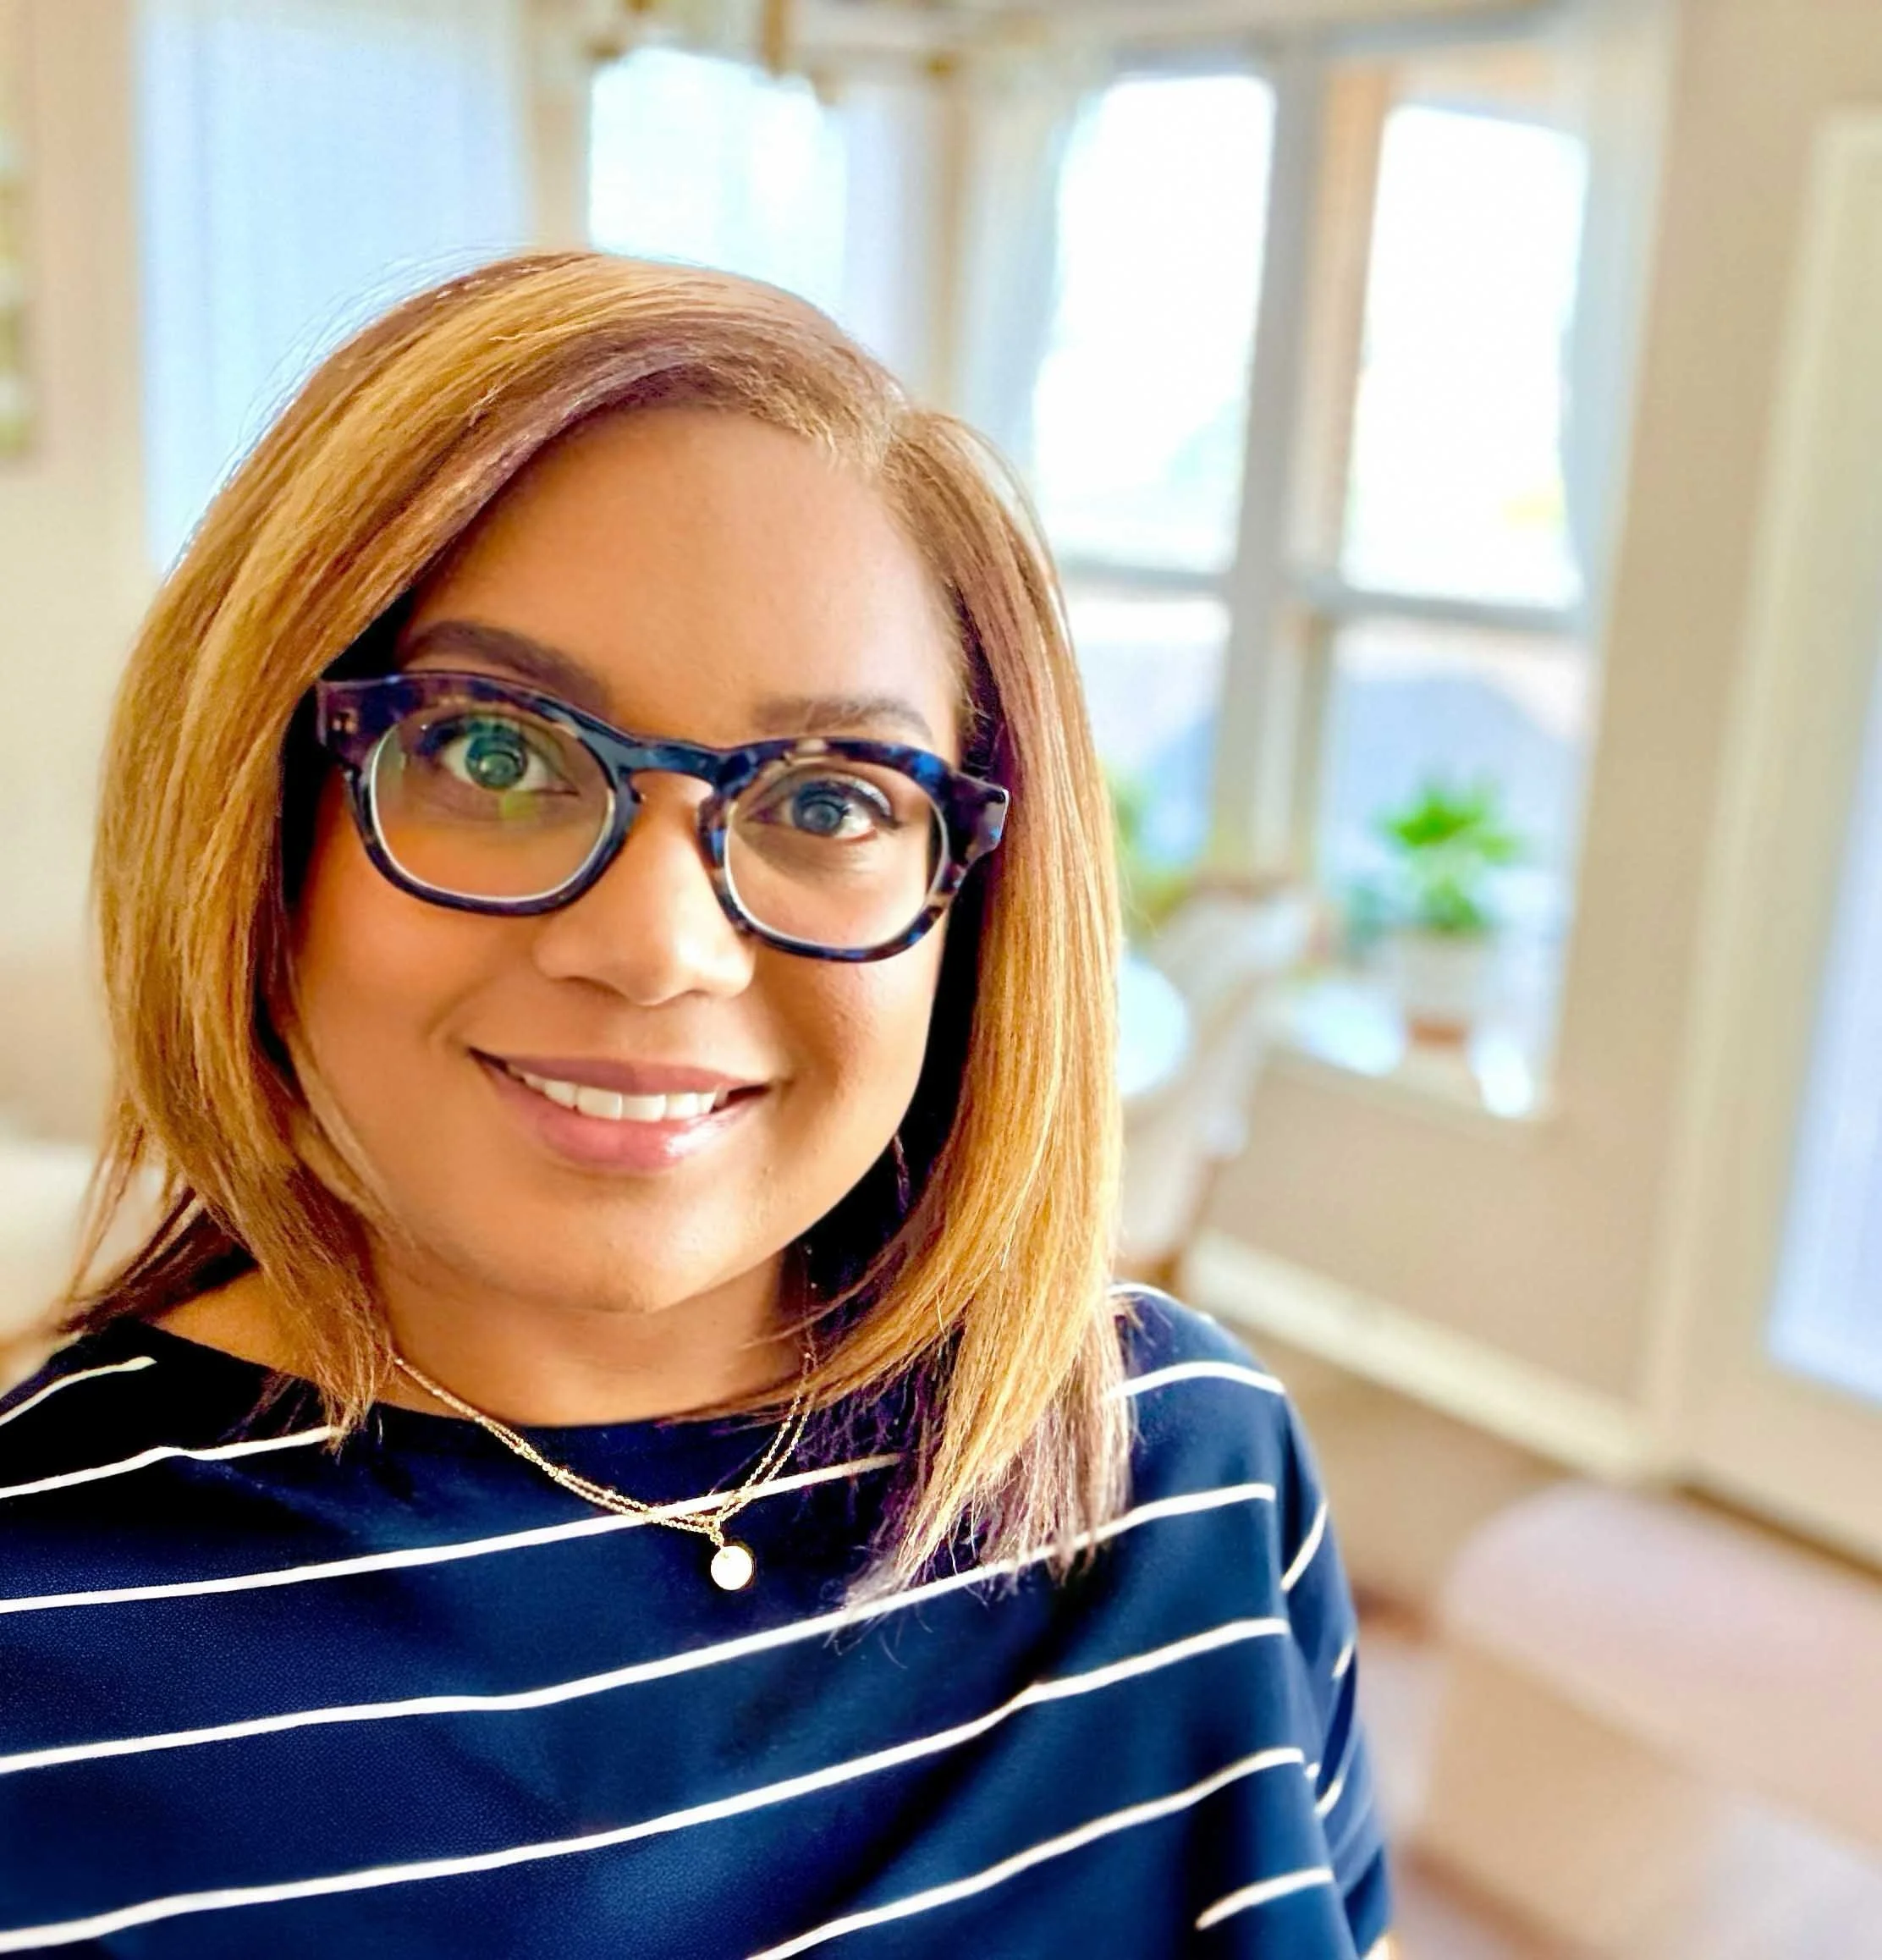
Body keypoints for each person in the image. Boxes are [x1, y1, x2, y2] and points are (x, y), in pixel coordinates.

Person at [0, 254, 1392, 1958]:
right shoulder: (45, 1643)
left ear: (975, 895)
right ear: (257, 815)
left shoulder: (1180, 1475)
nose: (661, 949)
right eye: (490, 752)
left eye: (830, 795)